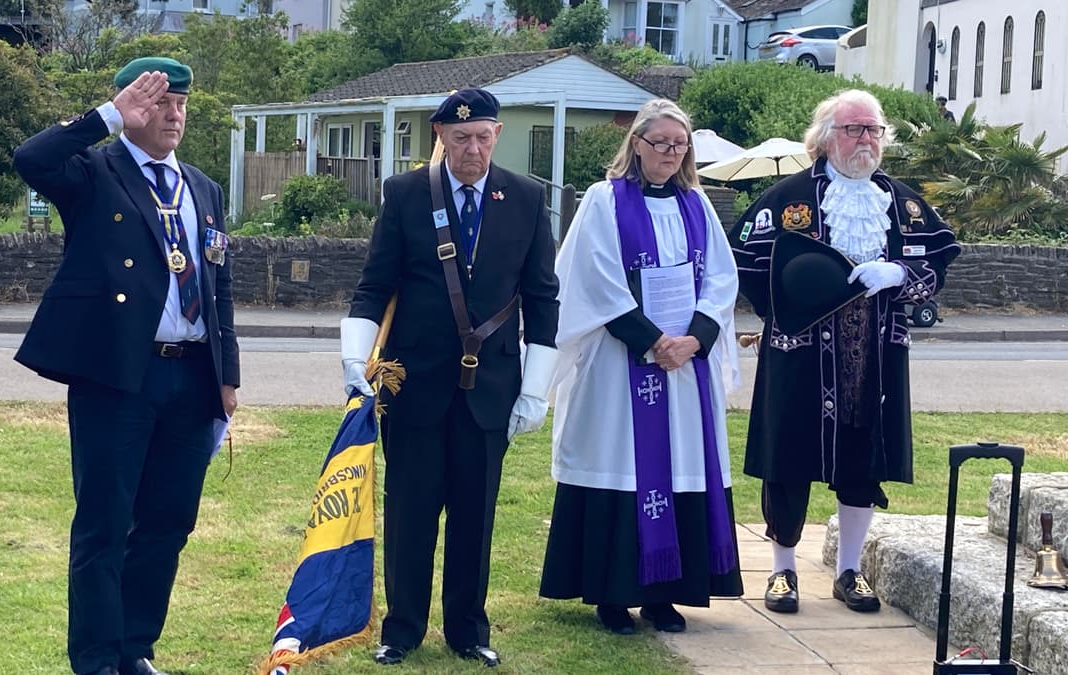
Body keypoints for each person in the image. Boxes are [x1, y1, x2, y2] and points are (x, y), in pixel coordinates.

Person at [13, 57, 240, 675]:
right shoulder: (93, 172)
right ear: (129, 107)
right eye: (157, 102)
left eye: (180, 104)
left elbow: (218, 285)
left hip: (191, 376)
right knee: (106, 523)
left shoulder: (202, 187)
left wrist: (228, 376)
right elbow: (31, 159)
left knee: (168, 522)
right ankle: (94, 659)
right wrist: (110, 118)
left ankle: (135, 648)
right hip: (117, 376)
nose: (172, 114)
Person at [340, 87, 559, 668]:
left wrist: (536, 386)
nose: (474, 149)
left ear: (497, 135)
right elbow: (374, 284)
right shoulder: (407, 194)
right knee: (409, 513)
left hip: (491, 389)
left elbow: (542, 298)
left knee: (474, 516)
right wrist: (353, 361)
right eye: (461, 138)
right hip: (413, 384)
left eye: (484, 136)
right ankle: (402, 629)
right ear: (440, 137)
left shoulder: (527, 198)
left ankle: (468, 629)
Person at [727, 90, 959, 615]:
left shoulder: (904, 203)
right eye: (854, 130)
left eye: (873, 130)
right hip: (800, 354)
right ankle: (782, 572)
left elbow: (939, 266)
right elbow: (743, 261)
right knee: (788, 459)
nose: (866, 140)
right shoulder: (787, 199)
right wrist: (784, 310)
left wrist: (898, 275)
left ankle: (849, 570)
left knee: (862, 458)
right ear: (826, 138)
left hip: (874, 356)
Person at [540, 98, 744, 635]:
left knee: (679, 468)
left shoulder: (696, 204)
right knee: (624, 465)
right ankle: (613, 594)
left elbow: (722, 280)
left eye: (680, 146)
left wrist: (695, 340)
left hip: (683, 369)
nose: (671, 154)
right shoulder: (604, 201)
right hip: (621, 362)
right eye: (661, 144)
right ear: (637, 144)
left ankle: (664, 595)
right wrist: (653, 341)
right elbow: (594, 277)